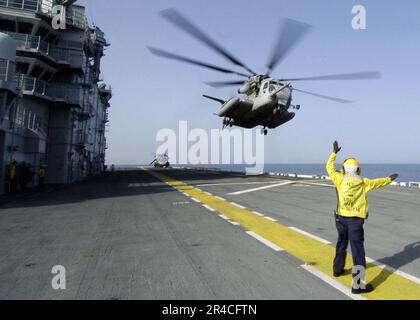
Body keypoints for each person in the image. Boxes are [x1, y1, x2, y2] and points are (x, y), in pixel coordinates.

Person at [327, 141, 399, 294]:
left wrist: (334, 153)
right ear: (358, 170)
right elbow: (378, 183)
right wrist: (389, 178)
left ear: (345, 169)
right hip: (355, 222)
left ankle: (337, 270)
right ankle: (358, 285)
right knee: (357, 252)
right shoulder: (363, 182)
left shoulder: (339, 179)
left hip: (340, 219)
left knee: (341, 243)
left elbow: (329, 167)